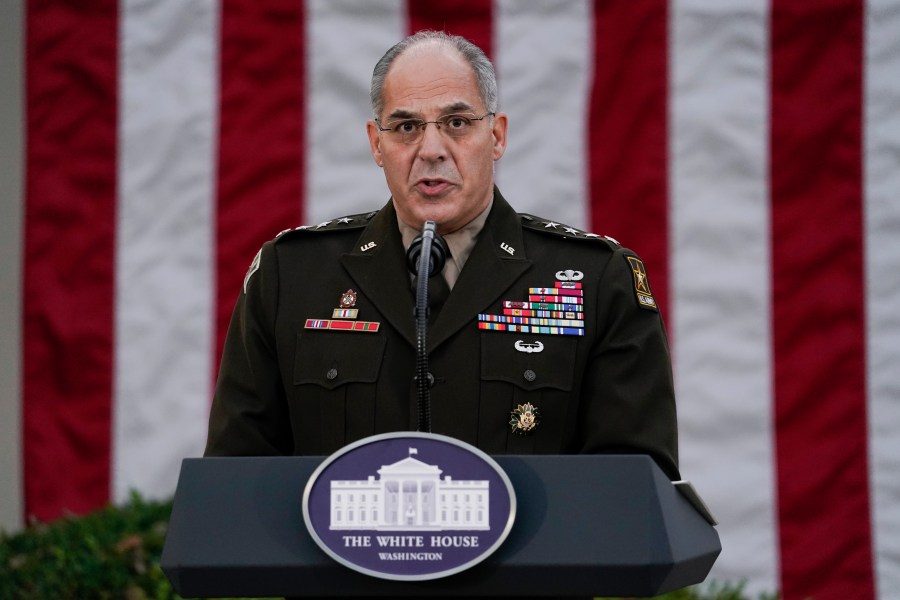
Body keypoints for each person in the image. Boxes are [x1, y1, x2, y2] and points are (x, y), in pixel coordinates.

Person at [205, 31, 679, 481]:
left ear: (496, 136)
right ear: (377, 143)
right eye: (407, 126)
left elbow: (635, 496)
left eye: (456, 123)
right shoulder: (291, 277)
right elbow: (236, 487)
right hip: (342, 567)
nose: (431, 150)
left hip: (528, 568)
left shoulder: (597, 282)